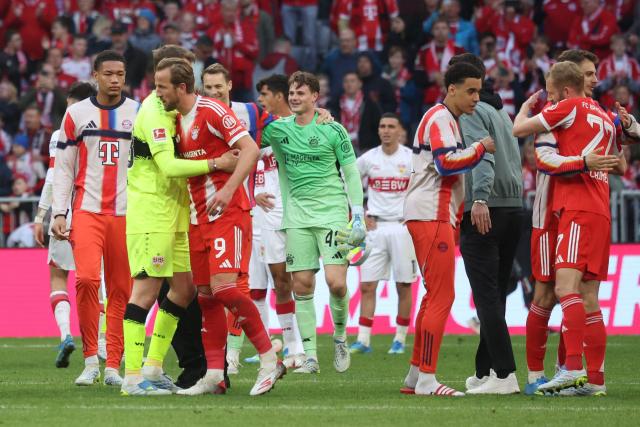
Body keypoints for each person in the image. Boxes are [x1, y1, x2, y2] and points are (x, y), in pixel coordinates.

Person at [154, 58, 284, 396]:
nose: (158, 93)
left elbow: (251, 149)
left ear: (181, 87)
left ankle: (270, 360)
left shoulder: (212, 111)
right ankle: (214, 373)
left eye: (162, 86)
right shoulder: (174, 120)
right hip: (197, 218)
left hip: (228, 212)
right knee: (207, 297)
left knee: (225, 289)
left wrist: (228, 189)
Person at [120, 46, 239, 396]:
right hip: (151, 212)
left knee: (185, 290)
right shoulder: (154, 110)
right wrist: (217, 163)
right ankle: (132, 377)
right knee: (144, 291)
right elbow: (170, 166)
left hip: (177, 213)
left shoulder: (182, 109)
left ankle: (154, 367)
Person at [512, 61, 625, 396]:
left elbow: (533, 148)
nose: (595, 79)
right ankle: (594, 381)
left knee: (560, 290)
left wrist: (521, 112)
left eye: (550, 93)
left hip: (572, 208)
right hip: (598, 209)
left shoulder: (567, 107)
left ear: (562, 89)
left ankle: (570, 367)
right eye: (589, 74)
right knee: (585, 296)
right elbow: (618, 161)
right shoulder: (604, 116)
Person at [260, 71, 366, 374]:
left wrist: (356, 214)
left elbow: (351, 172)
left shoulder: (333, 130)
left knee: (336, 283)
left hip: (332, 213)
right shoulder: (278, 131)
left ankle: (341, 336)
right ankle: (310, 356)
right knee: (302, 285)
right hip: (296, 217)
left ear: (315, 97)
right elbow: (248, 137)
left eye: (301, 93)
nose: (295, 97)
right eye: (292, 92)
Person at [400, 62, 495, 396]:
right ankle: (427, 378)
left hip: (436, 215)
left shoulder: (447, 119)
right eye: (470, 90)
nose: (476, 97)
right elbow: (444, 163)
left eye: (479, 91)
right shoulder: (440, 118)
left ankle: (415, 376)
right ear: (451, 89)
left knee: (433, 294)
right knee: (443, 295)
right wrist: (480, 148)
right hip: (431, 214)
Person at [52, 50, 137, 387]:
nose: (115, 80)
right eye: (108, 74)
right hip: (86, 211)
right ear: (95, 75)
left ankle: (112, 365)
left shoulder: (138, 112)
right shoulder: (76, 114)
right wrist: (60, 212)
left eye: (120, 74)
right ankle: (90, 361)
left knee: (121, 289)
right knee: (86, 280)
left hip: (126, 214)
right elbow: (63, 167)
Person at [446, 53, 523, 395]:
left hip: (485, 208)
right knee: (494, 297)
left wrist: (478, 198)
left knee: (486, 297)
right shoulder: (501, 112)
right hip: (512, 208)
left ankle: (505, 374)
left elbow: (483, 156)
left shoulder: (472, 112)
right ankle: (486, 370)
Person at [33, 81, 97, 369]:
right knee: (99, 281)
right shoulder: (103, 129)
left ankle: (65, 334)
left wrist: (40, 215)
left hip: (64, 212)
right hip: (96, 211)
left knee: (59, 277)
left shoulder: (61, 133)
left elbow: (53, 177)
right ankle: (104, 344)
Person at [349, 112, 416, 356]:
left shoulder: (410, 159)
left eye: (391, 126)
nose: (386, 130)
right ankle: (363, 340)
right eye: (382, 126)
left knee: (403, 284)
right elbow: (349, 180)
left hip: (401, 227)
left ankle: (399, 339)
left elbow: (422, 188)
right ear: (378, 130)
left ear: (400, 131)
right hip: (374, 227)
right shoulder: (369, 158)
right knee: (367, 285)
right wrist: (359, 213)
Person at [255, 73, 308, 369]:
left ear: (278, 96)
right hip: (271, 215)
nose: (261, 100)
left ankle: (314, 345)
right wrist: (254, 194)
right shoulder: (262, 130)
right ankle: (293, 348)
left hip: (301, 212)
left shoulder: (307, 125)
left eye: (264, 94)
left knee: (304, 280)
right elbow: (246, 159)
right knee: (280, 281)